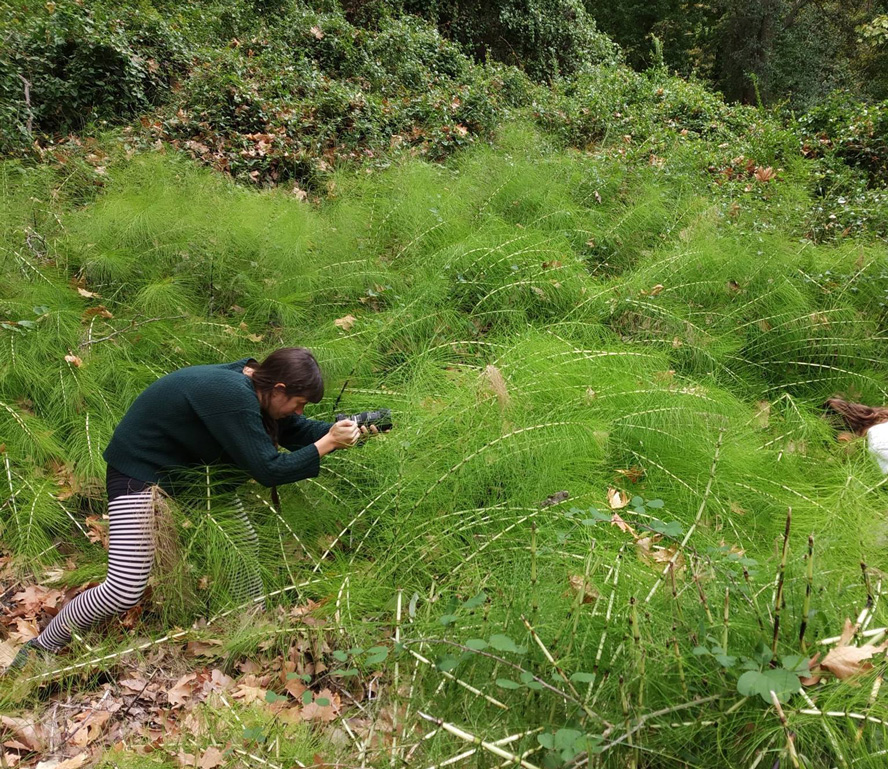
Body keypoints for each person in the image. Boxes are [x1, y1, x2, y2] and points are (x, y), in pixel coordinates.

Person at [7, 347, 367, 672]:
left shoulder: (257, 385)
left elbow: (296, 429)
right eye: (299, 402)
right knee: (125, 586)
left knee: (242, 546)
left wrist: (356, 426)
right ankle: (42, 645)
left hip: (186, 474)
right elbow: (268, 469)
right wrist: (329, 443)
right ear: (279, 389)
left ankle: (253, 628)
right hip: (139, 470)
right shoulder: (231, 395)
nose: (300, 411)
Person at [825, 397, 888, 473]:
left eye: (836, 449)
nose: (841, 457)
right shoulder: (879, 431)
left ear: (844, 439)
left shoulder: (877, 440)